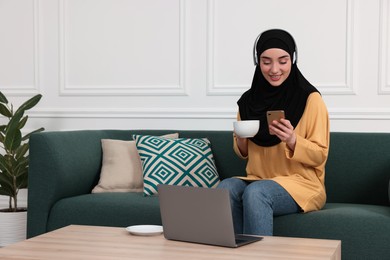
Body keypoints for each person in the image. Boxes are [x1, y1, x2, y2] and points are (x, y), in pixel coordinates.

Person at [218, 29, 330, 236]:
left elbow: (320, 155)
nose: (274, 69)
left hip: (302, 184)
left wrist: (293, 139)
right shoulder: (249, 101)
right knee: (225, 188)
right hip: (258, 179)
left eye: (283, 61)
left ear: (293, 60)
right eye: (266, 61)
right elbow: (242, 152)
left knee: (256, 193)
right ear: (257, 61)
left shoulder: (310, 99)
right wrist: (242, 139)